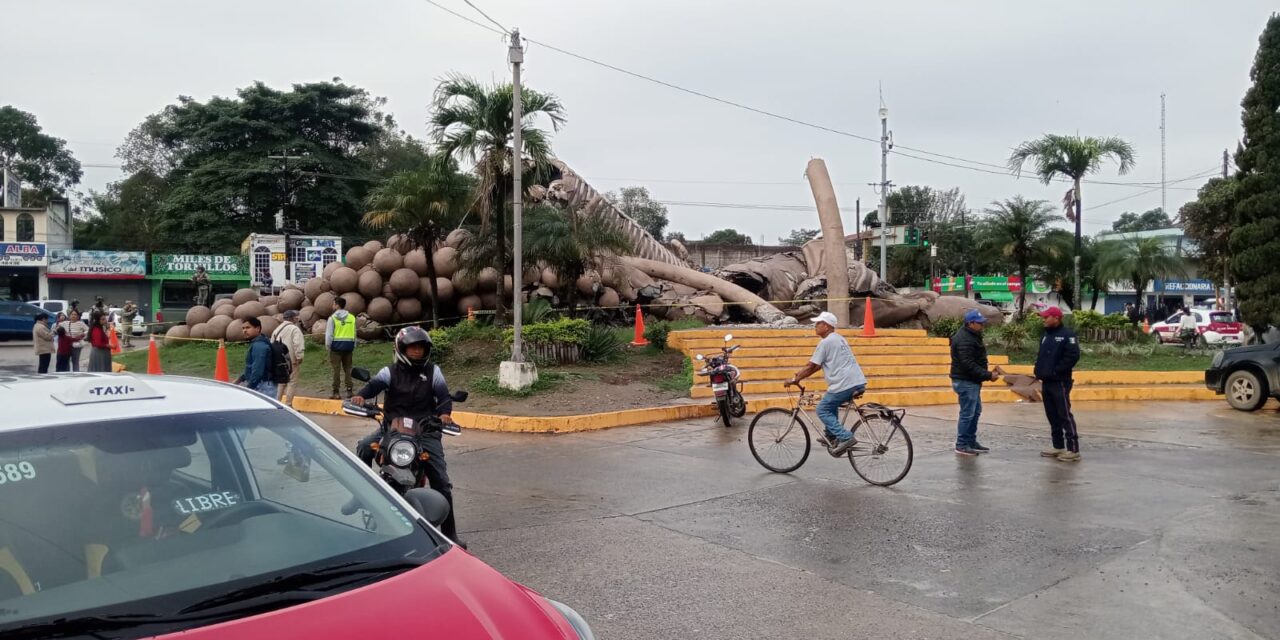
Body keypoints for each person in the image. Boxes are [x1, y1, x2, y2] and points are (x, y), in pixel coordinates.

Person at [351, 327, 460, 541]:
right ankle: (359, 494)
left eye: (421, 348)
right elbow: (373, 386)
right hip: (392, 429)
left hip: (425, 431)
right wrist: (360, 397)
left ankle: (450, 534)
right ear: (402, 349)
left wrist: (445, 414)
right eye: (412, 348)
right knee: (364, 446)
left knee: (442, 481)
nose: (417, 351)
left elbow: (444, 397)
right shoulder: (389, 372)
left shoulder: (433, 372)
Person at [786, 311, 868, 456]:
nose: (815, 326)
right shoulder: (839, 339)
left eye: (818, 323)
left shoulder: (826, 342)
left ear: (827, 326)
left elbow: (811, 366)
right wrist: (800, 377)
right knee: (831, 403)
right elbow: (817, 366)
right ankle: (831, 436)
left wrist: (794, 380)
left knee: (822, 409)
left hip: (844, 384)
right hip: (856, 381)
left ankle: (845, 437)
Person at [1035, 307, 1082, 462]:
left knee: (1064, 414)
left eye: (1046, 317)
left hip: (1060, 381)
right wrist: (1038, 370)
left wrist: (1056, 371)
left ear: (1056, 318)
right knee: (1052, 415)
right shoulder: (1046, 335)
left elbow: (1073, 356)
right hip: (1046, 381)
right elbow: (1041, 356)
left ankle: (1073, 449)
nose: (1044, 320)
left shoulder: (1067, 335)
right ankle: (1058, 446)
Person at [950, 309, 999, 456]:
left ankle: (970, 441)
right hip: (966, 381)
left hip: (972, 381)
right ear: (970, 323)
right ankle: (962, 444)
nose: (982, 325)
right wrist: (988, 375)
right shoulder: (964, 339)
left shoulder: (972, 335)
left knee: (975, 412)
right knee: (968, 414)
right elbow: (968, 364)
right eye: (979, 323)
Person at [235, 317, 277, 398]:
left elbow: (257, 370)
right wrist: (240, 379)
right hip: (263, 385)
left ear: (257, 328)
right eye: (243, 328)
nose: (244, 331)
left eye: (248, 327)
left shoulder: (259, 346)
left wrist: (249, 388)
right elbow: (251, 367)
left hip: (262, 386)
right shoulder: (259, 342)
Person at [273, 309, 307, 406]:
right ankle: (288, 404)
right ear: (292, 318)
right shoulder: (294, 329)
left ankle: (276, 403)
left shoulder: (277, 329)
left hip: (279, 360)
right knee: (292, 382)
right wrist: (299, 356)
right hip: (291, 360)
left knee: (281, 382)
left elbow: (272, 343)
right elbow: (298, 344)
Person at [326, 296, 357, 399]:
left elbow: (329, 335)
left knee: (336, 370)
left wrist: (328, 346)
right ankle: (349, 391)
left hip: (336, 347)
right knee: (348, 369)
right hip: (348, 347)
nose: (332, 305)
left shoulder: (332, 318)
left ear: (337, 305)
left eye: (333, 303)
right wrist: (354, 344)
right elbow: (354, 333)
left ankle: (336, 392)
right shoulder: (352, 317)